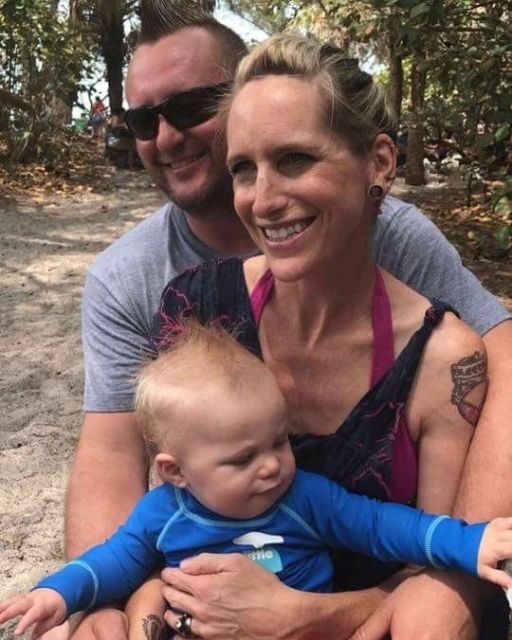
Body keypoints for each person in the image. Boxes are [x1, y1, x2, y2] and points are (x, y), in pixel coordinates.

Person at [55, 2, 512, 640]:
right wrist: (109, 599)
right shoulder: (185, 300)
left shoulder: (420, 296)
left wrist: (308, 618)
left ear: (379, 164)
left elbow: (431, 547)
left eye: (295, 159)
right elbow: (119, 456)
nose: (264, 200)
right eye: (244, 169)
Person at [3, 323, 512, 640]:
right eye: (243, 458)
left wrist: (470, 542)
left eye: (278, 441)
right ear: (175, 471)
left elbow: (384, 526)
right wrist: (57, 594)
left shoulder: (304, 497)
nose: (271, 466)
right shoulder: (164, 514)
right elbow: (112, 562)